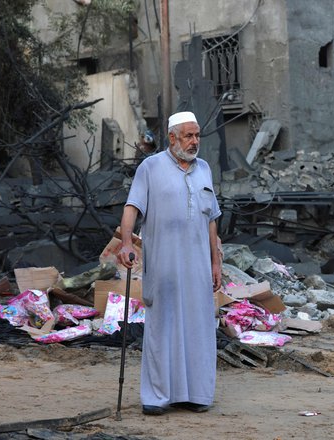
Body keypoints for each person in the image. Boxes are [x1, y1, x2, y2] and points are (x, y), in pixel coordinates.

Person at [117, 111, 222, 416]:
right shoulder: (150, 168)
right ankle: (157, 397)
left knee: (199, 329)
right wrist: (126, 242)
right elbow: (131, 208)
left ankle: (197, 395)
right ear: (172, 138)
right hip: (163, 267)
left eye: (197, 135)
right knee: (162, 329)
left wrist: (216, 262)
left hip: (198, 267)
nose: (194, 141)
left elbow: (212, 220)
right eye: (188, 136)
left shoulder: (204, 170)